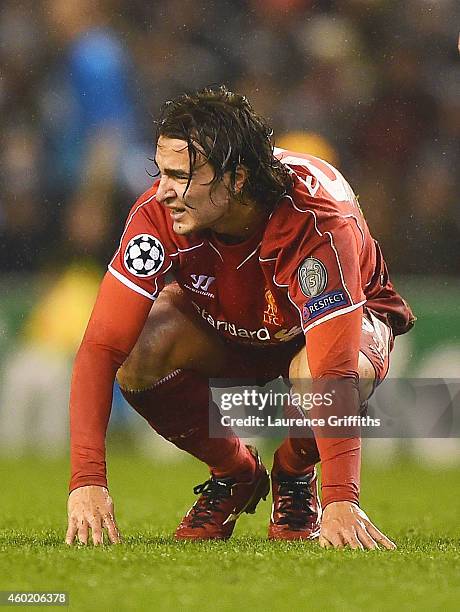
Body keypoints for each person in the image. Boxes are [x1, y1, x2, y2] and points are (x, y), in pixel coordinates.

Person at [66, 87, 415, 549]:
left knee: (318, 375)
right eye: (161, 172)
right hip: (227, 327)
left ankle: (293, 471)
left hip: (330, 333)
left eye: (181, 175)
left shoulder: (314, 222)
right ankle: (235, 473)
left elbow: (334, 373)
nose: (163, 190)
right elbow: (100, 347)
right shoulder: (159, 214)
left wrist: (340, 500)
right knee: (138, 350)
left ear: (236, 179)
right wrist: (87, 481)